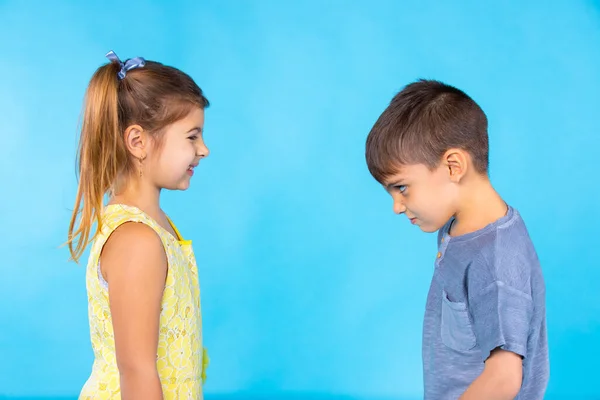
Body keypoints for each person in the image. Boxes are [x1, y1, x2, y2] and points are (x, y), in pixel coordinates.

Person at [365, 79, 549, 399]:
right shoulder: (459, 229)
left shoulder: (496, 260)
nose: (396, 207)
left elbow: (504, 377)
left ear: (453, 166)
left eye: (402, 187)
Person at [67, 50, 210, 399]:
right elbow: (137, 369)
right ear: (138, 142)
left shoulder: (157, 227)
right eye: (192, 136)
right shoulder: (137, 241)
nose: (203, 149)